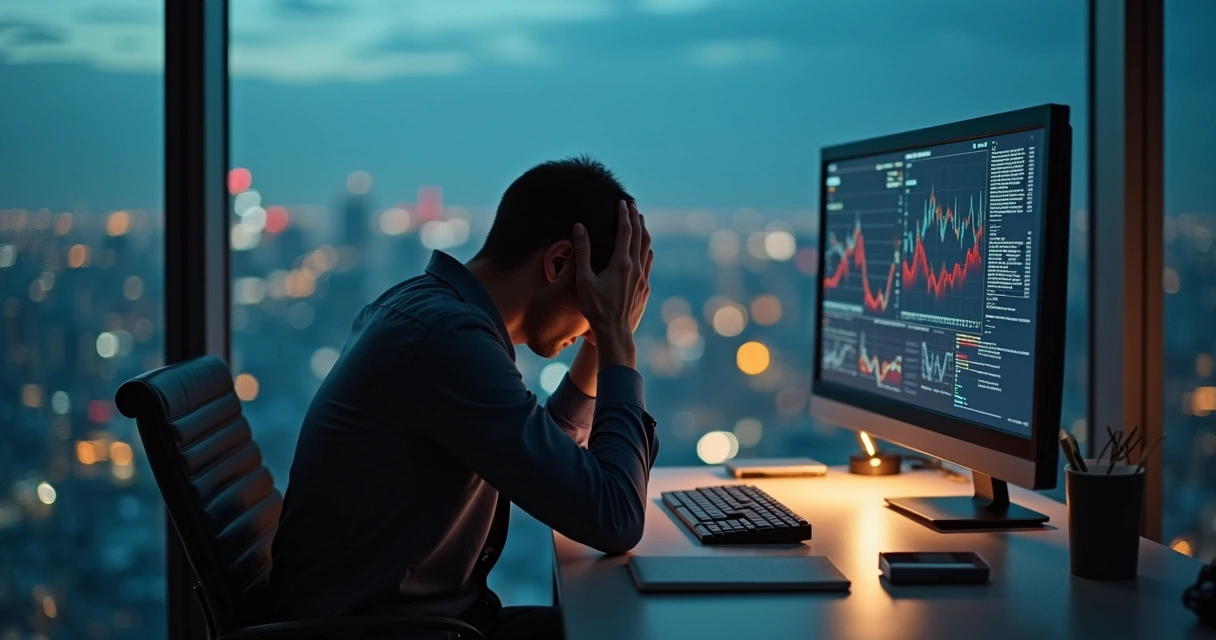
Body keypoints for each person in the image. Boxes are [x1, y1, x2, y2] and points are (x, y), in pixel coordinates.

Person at [266, 156, 659, 640]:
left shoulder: (431, 312)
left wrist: (603, 339)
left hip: (422, 624)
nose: (588, 330)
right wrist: (617, 337)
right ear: (559, 264)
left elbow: (540, 452)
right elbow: (614, 516)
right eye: (599, 299)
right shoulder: (446, 340)